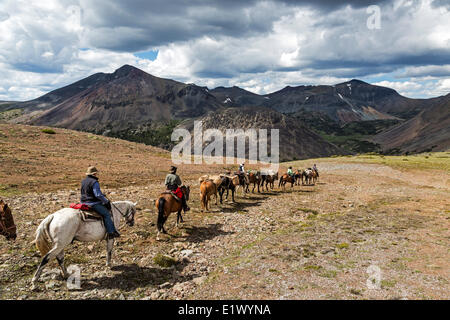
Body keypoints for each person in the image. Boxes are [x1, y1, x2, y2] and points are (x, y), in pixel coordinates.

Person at [80, 166, 120, 239]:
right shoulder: (94, 182)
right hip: (92, 203)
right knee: (106, 214)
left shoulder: (83, 181)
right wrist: (106, 201)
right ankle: (111, 232)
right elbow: (97, 195)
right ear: (94, 174)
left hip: (83, 202)